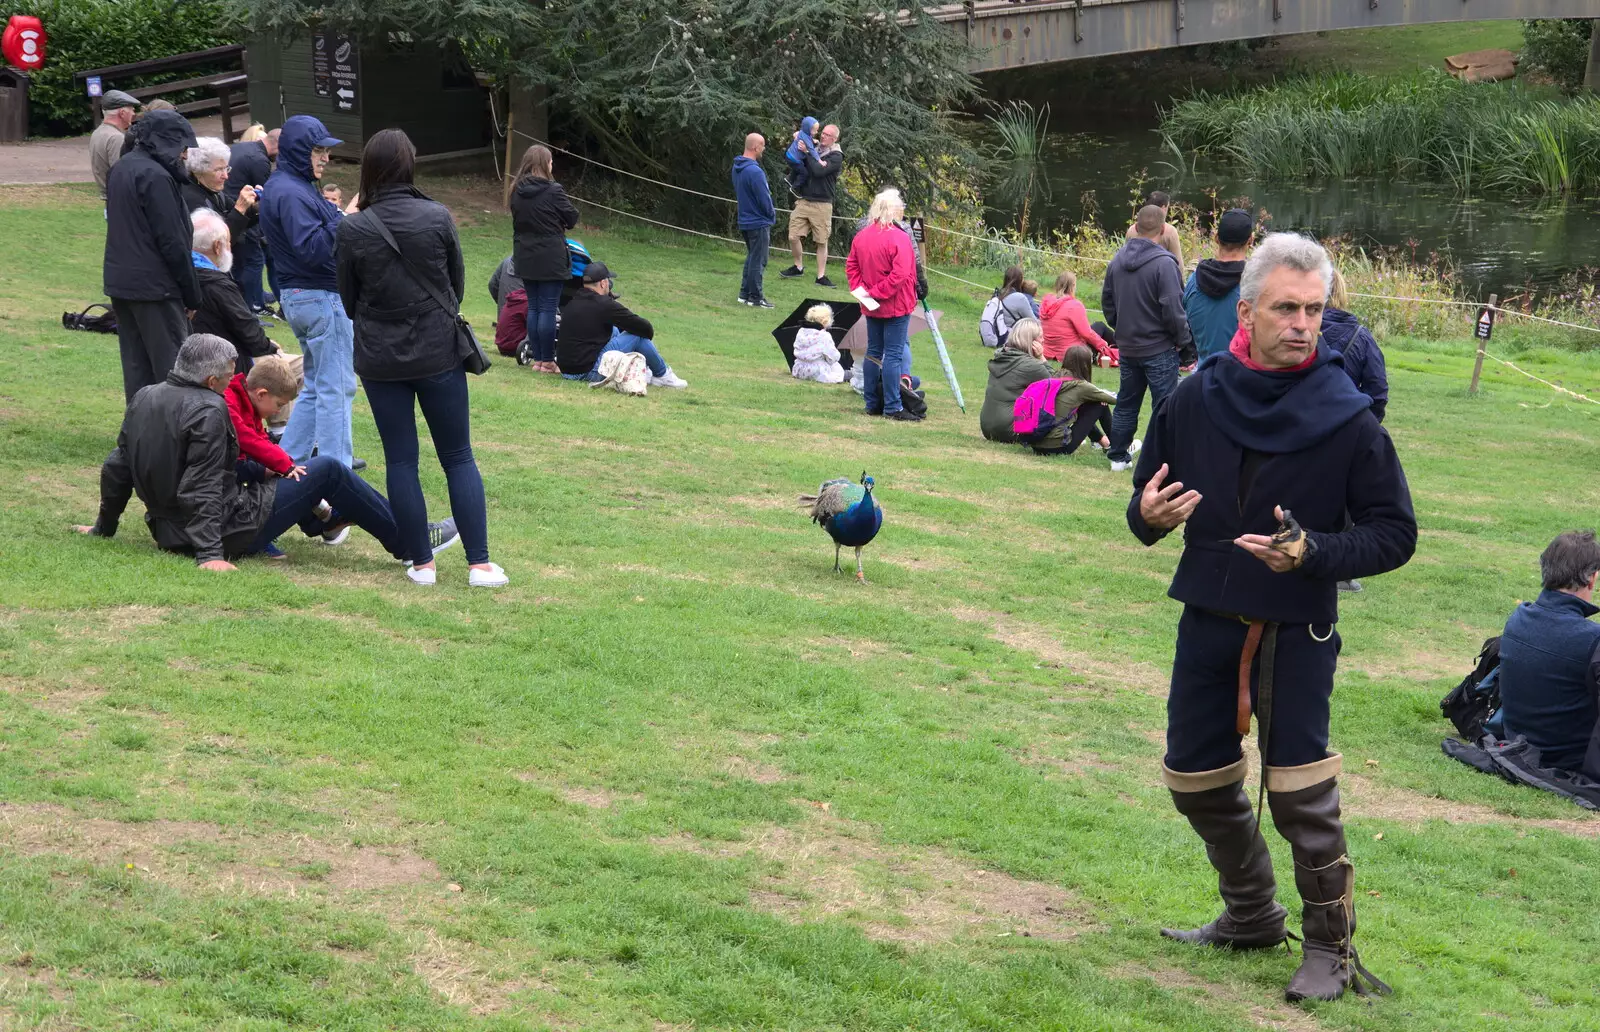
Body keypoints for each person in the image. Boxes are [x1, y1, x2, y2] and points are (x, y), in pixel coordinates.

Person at [1128, 233, 1416, 1003]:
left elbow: (1395, 534)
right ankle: (1252, 913)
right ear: (1246, 312)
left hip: (1297, 628)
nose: (1302, 324)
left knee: (1298, 792)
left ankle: (1330, 948)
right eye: (1287, 308)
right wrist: (1148, 514)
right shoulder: (1196, 396)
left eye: (1315, 310)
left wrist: (1314, 551)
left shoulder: (1350, 418)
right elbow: (1144, 500)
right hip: (1209, 615)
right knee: (1192, 777)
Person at [73, 335, 457, 572]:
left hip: (169, 529)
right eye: (228, 377)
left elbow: (117, 466)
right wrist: (209, 554)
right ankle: (411, 542)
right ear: (210, 380)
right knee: (327, 469)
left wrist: (103, 526)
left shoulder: (145, 396)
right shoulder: (210, 409)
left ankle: (329, 520)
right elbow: (202, 485)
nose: (231, 384)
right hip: (223, 531)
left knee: (301, 469)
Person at [336, 128, 507, 588]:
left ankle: (422, 564)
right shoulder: (436, 216)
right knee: (457, 455)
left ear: (369, 169)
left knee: (401, 460)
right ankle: (479, 564)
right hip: (436, 351)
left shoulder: (353, 227)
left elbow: (347, 299)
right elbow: (456, 285)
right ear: (409, 165)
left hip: (382, 356)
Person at [261, 115, 359, 469]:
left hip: (303, 297)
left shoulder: (290, 186)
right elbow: (313, 249)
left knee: (317, 385)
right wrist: (345, 218)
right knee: (338, 387)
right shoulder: (290, 191)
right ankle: (338, 478)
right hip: (318, 297)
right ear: (301, 151)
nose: (326, 159)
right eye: (319, 150)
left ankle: (287, 463)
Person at [103, 109, 203, 403]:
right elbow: (172, 242)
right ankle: (170, 437)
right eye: (183, 148)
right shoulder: (156, 176)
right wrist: (192, 295)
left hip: (123, 282)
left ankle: (139, 437)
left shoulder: (123, 167)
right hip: (155, 288)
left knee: (137, 368)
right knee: (172, 370)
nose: (185, 155)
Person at [1496, 531, 1600, 781]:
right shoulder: (1591, 639)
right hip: (1568, 758)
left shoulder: (1519, 617)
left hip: (1517, 744)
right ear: (1591, 579)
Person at [1102, 205, 1195, 472]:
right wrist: (1184, 340)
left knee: (1127, 403)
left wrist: (1121, 327)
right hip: (1159, 347)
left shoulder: (1117, 260)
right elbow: (1173, 309)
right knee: (1164, 405)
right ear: (1164, 229)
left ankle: (1118, 456)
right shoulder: (1165, 264)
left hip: (1130, 346)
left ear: (1136, 226)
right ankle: (1162, 460)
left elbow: (1107, 302)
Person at [846, 188, 921, 421]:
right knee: (893, 355)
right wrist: (876, 294)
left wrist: (866, 295)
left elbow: (852, 268)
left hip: (872, 303)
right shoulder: (899, 238)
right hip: (895, 304)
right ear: (893, 210)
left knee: (874, 352)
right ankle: (892, 406)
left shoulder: (862, 237)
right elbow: (900, 275)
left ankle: (871, 402)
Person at [556, 263, 689, 388]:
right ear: (603, 283)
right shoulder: (604, 304)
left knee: (614, 330)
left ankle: (642, 368)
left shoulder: (573, 302)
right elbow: (644, 327)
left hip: (567, 371)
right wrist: (643, 339)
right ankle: (662, 374)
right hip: (588, 373)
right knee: (636, 335)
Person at [510, 143, 581, 373]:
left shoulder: (515, 190)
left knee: (534, 307)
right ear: (544, 164)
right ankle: (548, 360)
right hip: (550, 255)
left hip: (525, 254)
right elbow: (572, 217)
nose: (553, 166)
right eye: (551, 161)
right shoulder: (553, 190)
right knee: (548, 308)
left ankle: (538, 358)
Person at [187, 208, 279, 375]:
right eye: (229, 243)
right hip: (227, 366)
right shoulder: (217, 284)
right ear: (217, 247)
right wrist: (270, 347)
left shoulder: (176, 276)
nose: (231, 247)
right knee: (292, 371)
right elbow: (249, 332)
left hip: (193, 361)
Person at [778, 123, 843, 288]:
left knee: (821, 241)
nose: (823, 136)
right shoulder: (814, 147)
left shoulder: (836, 156)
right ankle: (798, 267)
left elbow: (818, 171)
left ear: (834, 139)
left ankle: (821, 277)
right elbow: (794, 157)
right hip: (804, 200)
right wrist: (798, 139)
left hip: (822, 204)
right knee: (793, 236)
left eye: (828, 135)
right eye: (823, 133)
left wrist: (807, 152)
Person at [1182, 208, 1252, 361]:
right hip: (1243, 375)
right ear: (1250, 241)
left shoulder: (1193, 280)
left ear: (1216, 238)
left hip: (1204, 374)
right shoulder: (1255, 284)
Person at [1025, 344, 1119, 457]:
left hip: (1036, 443)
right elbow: (1115, 400)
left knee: (1083, 404)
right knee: (1100, 405)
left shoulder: (1055, 377)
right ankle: (1118, 448)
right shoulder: (1081, 386)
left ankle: (1105, 443)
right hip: (1059, 446)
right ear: (1086, 365)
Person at [224, 126, 280, 312]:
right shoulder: (260, 160)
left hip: (226, 211)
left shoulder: (240, 147)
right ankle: (250, 309)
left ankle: (244, 307)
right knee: (253, 262)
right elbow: (266, 198)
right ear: (277, 145)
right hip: (244, 218)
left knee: (239, 265)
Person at [1323, 270, 1388, 423]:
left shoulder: (1295, 332)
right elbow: (1377, 392)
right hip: (1344, 424)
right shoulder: (1361, 337)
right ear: (1341, 293)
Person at [979, 318, 1052, 443]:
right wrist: (1041, 357)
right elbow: (1057, 385)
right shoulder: (1032, 366)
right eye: (1040, 337)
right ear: (1031, 341)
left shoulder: (1001, 356)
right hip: (1010, 431)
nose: (1043, 340)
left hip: (987, 428)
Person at [182, 136, 258, 245]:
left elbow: (242, 221)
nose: (226, 176)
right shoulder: (192, 199)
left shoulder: (213, 190)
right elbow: (218, 243)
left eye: (226, 168)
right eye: (218, 170)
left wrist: (256, 206)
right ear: (198, 170)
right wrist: (240, 208)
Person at [732, 133, 776, 309]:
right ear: (756, 147)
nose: (764, 149)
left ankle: (744, 294)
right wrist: (770, 214)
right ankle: (756, 297)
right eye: (763, 145)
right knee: (759, 260)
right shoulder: (755, 171)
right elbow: (763, 198)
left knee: (752, 258)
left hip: (745, 219)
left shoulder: (737, 167)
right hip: (758, 221)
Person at [1040, 271, 1113, 364]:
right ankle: (1124, 346)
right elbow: (1086, 334)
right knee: (1100, 326)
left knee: (1096, 326)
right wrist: (1103, 344)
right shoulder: (1074, 305)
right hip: (1071, 353)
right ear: (1073, 286)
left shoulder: (1046, 302)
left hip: (1049, 352)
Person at [90, 91, 140, 201]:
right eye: (131, 109)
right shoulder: (116, 138)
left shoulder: (99, 132)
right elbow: (121, 175)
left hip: (111, 199)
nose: (133, 113)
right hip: (120, 200)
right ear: (122, 113)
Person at [978, 266, 1038, 350]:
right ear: (1019, 280)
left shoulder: (999, 293)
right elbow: (1034, 322)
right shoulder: (1019, 297)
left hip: (997, 334)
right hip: (1009, 338)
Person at [1125, 189, 1184, 268]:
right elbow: (1178, 264)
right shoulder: (1170, 231)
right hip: (1161, 275)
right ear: (1163, 208)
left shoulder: (1132, 229)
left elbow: (1126, 257)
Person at [791, 303, 844, 384]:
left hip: (799, 369)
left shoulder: (801, 331)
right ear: (826, 321)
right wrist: (836, 356)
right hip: (817, 372)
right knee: (836, 366)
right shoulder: (824, 336)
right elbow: (833, 357)